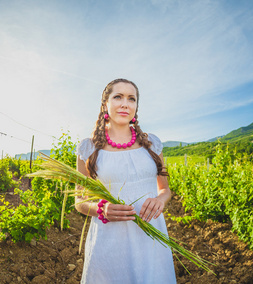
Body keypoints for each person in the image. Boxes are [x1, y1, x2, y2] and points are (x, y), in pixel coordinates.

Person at [75, 78, 177, 283]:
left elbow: (165, 190)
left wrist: (159, 200)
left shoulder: (152, 144)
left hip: (151, 236)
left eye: (132, 99)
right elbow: (79, 202)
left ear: (136, 107)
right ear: (105, 104)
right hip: (109, 241)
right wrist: (101, 209)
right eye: (118, 97)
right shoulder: (88, 149)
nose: (125, 103)